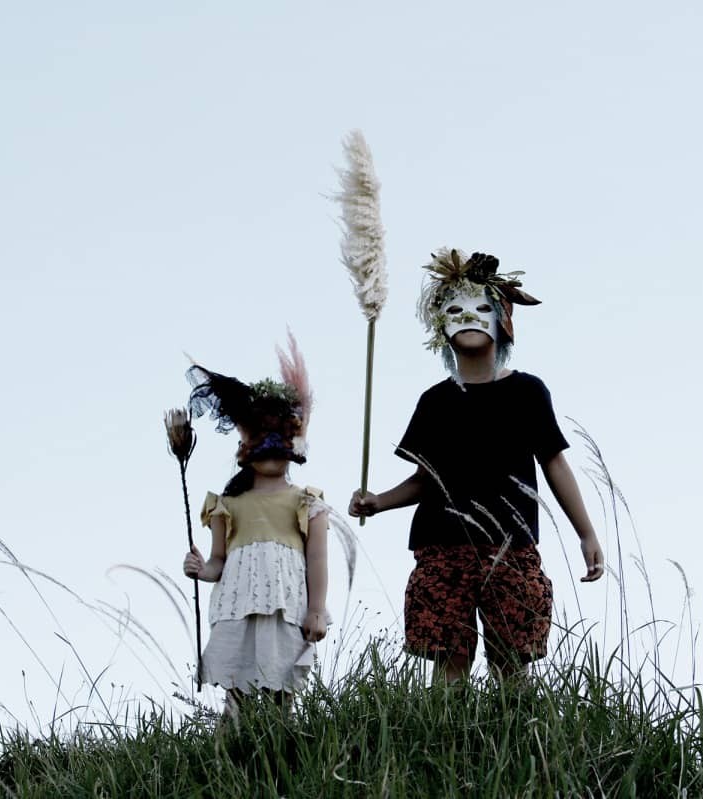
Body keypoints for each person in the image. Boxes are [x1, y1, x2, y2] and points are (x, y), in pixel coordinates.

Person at [349, 249, 604, 683]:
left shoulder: (527, 392)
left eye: (482, 307)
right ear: (441, 325)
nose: (469, 317)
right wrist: (377, 502)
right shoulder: (435, 402)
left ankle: (517, 740)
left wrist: (586, 532)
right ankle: (447, 742)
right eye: (456, 309)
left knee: (511, 658)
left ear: (503, 318)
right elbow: (423, 480)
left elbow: (554, 463)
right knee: (449, 659)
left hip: (511, 545)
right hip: (442, 546)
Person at [181, 336, 328, 722]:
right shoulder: (227, 505)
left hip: (285, 603)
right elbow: (218, 562)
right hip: (238, 602)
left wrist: (316, 610)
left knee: (282, 684)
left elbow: (317, 561)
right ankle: (229, 749)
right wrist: (201, 569)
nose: (272, 451)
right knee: (237, 684)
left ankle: (283, 745)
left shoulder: (306, 501)